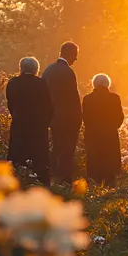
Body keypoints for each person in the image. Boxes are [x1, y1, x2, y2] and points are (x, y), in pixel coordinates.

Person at [5, 57, 53, 186]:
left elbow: (11, 104)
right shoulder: (41, 83)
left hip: (19, 126)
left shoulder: (13, 83)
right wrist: (45, 123)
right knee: (38, 159)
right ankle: (39, 184)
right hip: (37, 128)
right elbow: (49, 106)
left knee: (17, 156)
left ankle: (15, 182)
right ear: (36, 69)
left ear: (21, 68)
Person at [42, 42, 82, 185]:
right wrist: (79, 118)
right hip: (68, 118)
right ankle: (64, 180)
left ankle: (50, 176)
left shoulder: (48, 70)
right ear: (69, 53)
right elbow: (73, 98)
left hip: (52, 118)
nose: (76, 59)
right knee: (67, 149)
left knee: (56, 147)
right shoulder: (68, 72)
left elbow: (43, 95)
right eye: (75, 55)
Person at [82, 73, 124, 187]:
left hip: (93, 135)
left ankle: (94, 186)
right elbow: (120, 117)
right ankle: (110, 187)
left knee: (94, 161)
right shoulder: (115, 98)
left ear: (94, 84)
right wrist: (113, 127)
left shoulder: (87, 99)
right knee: (110, 160)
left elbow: (85, 118)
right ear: (107, 84)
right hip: (110, 135)